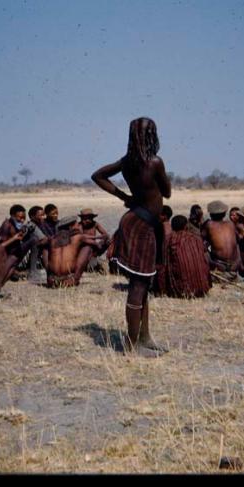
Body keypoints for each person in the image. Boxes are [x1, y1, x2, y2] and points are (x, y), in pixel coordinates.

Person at [91, 116, 171, 358]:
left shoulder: (126, 162)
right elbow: (166, 192)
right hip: (142, 224)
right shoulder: (155, 162)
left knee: (143, 283)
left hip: (135, 219)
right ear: (151, 135)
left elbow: (98, 176)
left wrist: (124, 196)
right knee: (138, 285)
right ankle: (132, 345)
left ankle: (144, 338)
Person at [43, 216, 107, 288]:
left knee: (45, 249)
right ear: (71, 227)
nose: (79, 226)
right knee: (87, 248)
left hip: (53, 282)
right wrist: (101, 242)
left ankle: (49, 277)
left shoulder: (52, 239)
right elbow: (97, 242)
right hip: (68, 281)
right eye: (77, 224)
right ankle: (75, 278)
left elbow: (41, 244)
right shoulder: (77, 237)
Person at [162, 215, 212, 298]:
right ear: (186, 226)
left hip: (181, 291)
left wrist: (162, 289)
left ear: (172, 226)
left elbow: (164, 263)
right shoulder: (197, 239)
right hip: (203, 289)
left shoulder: (170, 239)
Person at [201, 200, 241, 280]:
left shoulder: (209, 224)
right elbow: (238, 240)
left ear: (211, 214)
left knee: (201, 247)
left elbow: (201, 240)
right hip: (234, 266)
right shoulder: (231, 224)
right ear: (224, 214)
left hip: (219, 266)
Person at [78, 208, 110, 273]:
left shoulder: (95, 224)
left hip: (94, 249)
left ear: (92, 218)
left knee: (108, 241)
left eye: (89, 218)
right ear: (82, 219)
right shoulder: (79, 225)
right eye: (85, 219)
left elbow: (106, 234)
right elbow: (82, 238)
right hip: (83, 250)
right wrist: (96, 240)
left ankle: (95, 256)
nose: (87, 220)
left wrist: (103, 238)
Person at [152, 205, 173, 295]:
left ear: (164, 216)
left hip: (161, 260)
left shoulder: (161, 228)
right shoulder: (172, 227)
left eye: (159, 214)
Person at [26, 206, 50, 283]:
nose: (43, 217)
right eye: (40, 215)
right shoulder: (31, 226)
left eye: (44, 215)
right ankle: (32, 271)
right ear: (32, 217)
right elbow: (43, 239)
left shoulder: (42, 224)